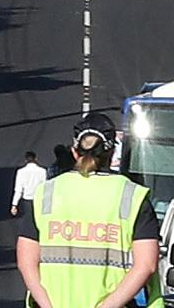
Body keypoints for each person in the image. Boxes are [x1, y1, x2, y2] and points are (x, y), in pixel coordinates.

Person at [16, 113, 162, 308]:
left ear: (75, 151)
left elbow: (26, 262)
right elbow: (146, 265)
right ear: (111, 154)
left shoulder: (46, 194)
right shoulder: (132, 196)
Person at [11, 151, 45, 218]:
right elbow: (45, 188)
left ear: (25, 160)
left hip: (27, 201)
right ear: (36, 159)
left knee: (27, 223)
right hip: (39, 201)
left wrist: (14, 205)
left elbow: (18, 190)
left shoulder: (21, 172)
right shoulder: (42, 171)